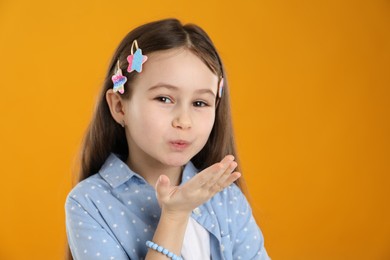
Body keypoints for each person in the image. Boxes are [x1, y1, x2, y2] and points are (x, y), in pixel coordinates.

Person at [65, 18, 269, 260]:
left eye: (200, 103)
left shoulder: (226, 198)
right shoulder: (90, 202)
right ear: (120, 107)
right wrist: (175, 216)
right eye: (164, 99)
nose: (184, 121)